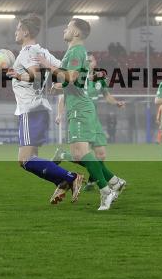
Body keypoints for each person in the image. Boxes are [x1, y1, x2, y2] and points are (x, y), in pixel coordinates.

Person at [33, 18, 125, 210]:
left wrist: (48, 65)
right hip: (80, 106)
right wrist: (59, 87)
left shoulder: (76, 51)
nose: (64, 30)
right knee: (79, 154)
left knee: (80, 154)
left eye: (67, 27)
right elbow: (76, 81)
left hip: (79, 109)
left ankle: (107, 191)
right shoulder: (75, 52)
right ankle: (114, 182)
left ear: (76, 33)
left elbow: (72, 76)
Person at [4, 14, 83, 204]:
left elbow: (33, 75)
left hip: (31, 110)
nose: (15, 32)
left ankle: (71, 177)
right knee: (28, 160)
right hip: (36, 110)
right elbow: (62, 69)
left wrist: (17, 75)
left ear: (25, 32)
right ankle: (62, 180)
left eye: (17, 29)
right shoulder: (41, 51)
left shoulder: (27, 51)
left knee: (26, 160)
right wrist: (56, 85)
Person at [53, 53, 125, 191]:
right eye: (85, 60)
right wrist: (59, 114)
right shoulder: (76, 78)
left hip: (94, 120)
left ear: (95, 63)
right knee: (80, 155)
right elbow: (63, 98)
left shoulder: (98, 80)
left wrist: (117, 103)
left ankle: (93, 180)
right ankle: (109, 183)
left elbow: (107, 96)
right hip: (80, 117)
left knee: (101, 155)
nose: (87, 62)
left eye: (90, 60)